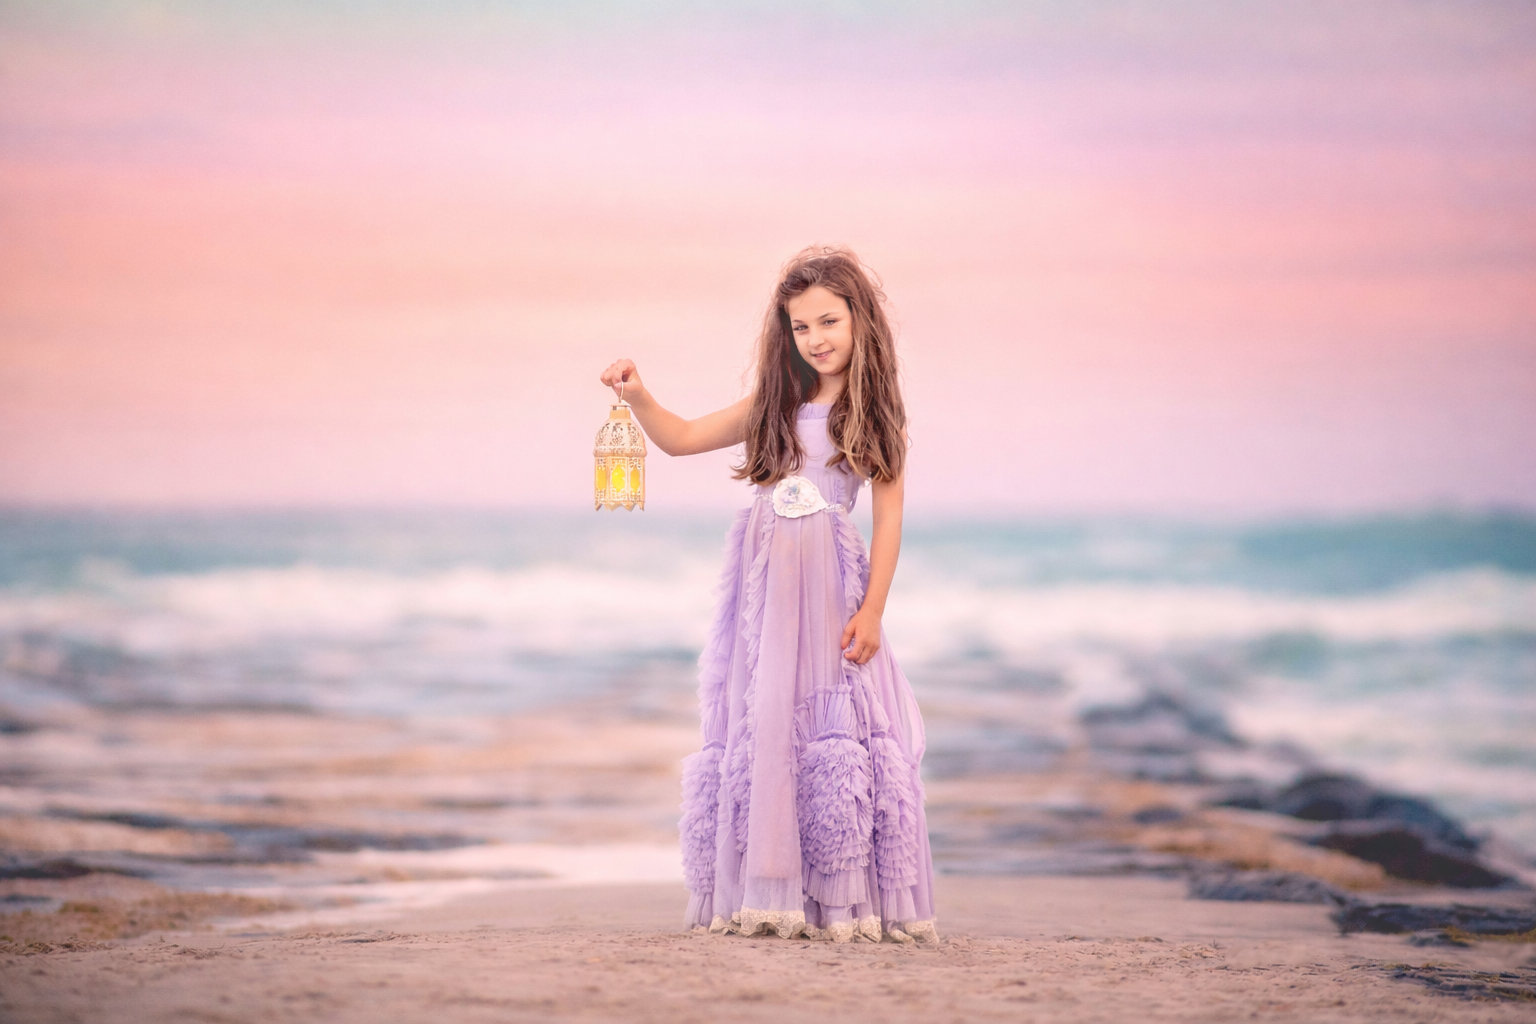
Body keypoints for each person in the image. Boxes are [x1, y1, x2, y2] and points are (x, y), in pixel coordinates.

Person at [598, 246, 937, 944]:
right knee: (765, 717)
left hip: (828, 592)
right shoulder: (773, 406)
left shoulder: (874, 419)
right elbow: (682, 437)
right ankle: (767, 885)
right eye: (801, 327)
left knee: (826, 721)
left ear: (861, 322)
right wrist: (638, 397)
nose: (816, 338)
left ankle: (835, 898)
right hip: (762, 597)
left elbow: (889, 521)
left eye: (829, 321)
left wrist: (872, 609)